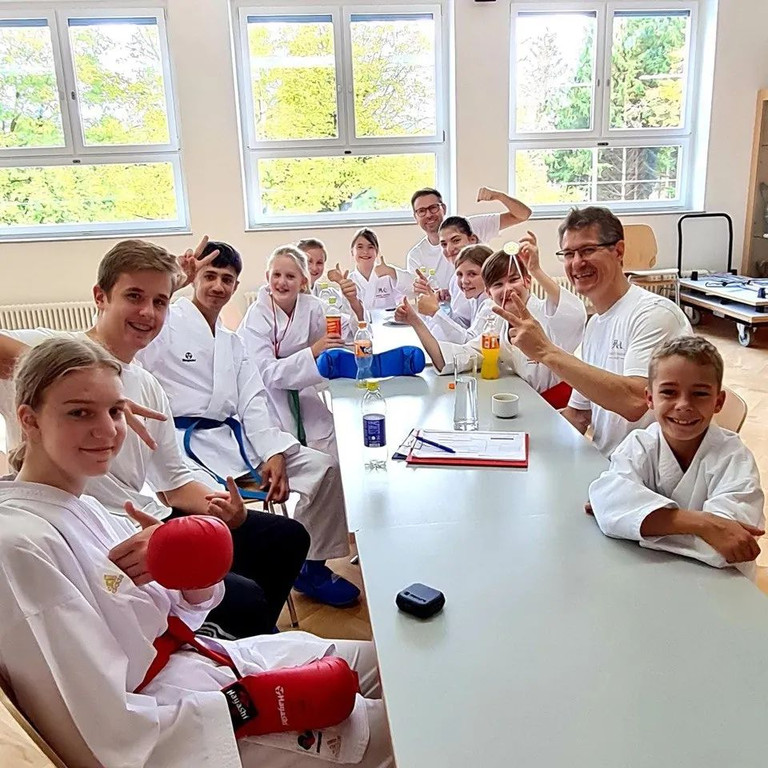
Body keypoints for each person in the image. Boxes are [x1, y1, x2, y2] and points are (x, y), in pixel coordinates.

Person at [0, 337, 393, 768]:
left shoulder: (85, 507)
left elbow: (171, 617)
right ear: (29, 420)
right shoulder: (20, 547)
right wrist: (250, 705)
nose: (108, 431)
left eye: (114, 411)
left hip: (202, 663)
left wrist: (186, 576)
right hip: (174, 727)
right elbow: (99, 727)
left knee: (392, 662)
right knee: (406, 723)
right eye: (79, 412)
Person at [0, 239, 310, 638]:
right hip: (94, 534)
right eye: (134, 297)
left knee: (285, 538)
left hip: (146, 517)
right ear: (100, 297)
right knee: (243, 598)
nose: (147, 313)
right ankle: (212, 639)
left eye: (160, 302)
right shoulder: (48, 350)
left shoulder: (147, 385)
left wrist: (224, 506)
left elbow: (174, 483)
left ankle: (223, 639)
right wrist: (80, 383)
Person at [138, 241, 359, 609]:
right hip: (182, 446)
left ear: (236, 285)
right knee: (217, 509)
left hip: (234, 440)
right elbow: (132, 337)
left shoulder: (232, 341)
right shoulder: (166, 324)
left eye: (226, 279)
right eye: (209, 276)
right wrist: (169, 285)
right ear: (194, 279)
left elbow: (253, 401)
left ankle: (312, 567)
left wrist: (273, 451)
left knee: (325, 468)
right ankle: (228, 596)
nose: (217, 286)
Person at [492, 206, 692, 456]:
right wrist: (515, 442)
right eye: (568, 254)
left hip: (649, 470)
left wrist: (545, 351)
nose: (577, 263)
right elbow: (578, 415)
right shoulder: (595, 324)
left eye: (587, 250)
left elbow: (635, 402)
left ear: (618, 251)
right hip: (606, 461)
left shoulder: (654, 315)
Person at [588, 336, 764, 576]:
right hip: (649, 577)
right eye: (669, 392)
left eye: (699, 393)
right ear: (650, 398)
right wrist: (704, 525)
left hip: (719, 585)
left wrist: (633, 522)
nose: (683, 404)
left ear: (718, 401)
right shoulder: (640, 444)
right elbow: (609, 500)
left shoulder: (735, 458)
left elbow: (728, 547)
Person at [395, 240, 586, 405]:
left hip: (557, 408)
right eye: (498, 285)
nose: (507, 289)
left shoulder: (547, 314)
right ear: (488, 292)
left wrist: (536, 270)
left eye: (514, 280)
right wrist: (415, 321)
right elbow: (458, 356)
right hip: (524, 401)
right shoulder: (498, 323)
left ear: (527, 281)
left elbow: (575, 315)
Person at [406, 186, 532, 291]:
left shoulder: (469, 226)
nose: (428, 215)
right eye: (421, 211)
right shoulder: (416, 256)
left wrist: (500, 196)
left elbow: (523, 215)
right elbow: (420, 293)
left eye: (433, 208)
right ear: (415, 217)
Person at [416, 243, 494, 344]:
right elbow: (463, 327)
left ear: (489, 274)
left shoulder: (491, 305)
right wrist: (440, 305)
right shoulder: (476, 299)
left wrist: (435, 312)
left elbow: (470, 342)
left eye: (472, 274)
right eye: (460, 274)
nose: (464, 281)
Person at [347, 228, 408, 310]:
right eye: (360, 247)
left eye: (370, 247)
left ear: (377, 251)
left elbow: (407, 293)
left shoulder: (388, 275)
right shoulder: (349, 281)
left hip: (389, 318)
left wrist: (392, 272)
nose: (365, 252)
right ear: (352, 251)